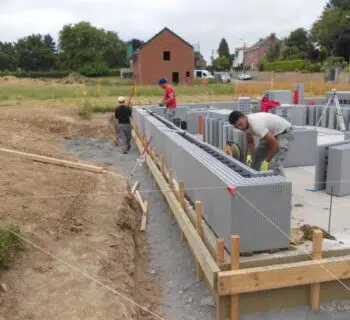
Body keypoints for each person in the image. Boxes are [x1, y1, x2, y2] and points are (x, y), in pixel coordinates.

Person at [228, 111, 294, 176]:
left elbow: (275, 145)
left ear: (244, 117)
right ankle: (255, 179)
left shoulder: (256, 125)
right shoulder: (245, 124)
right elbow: (250, 142)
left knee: (274, 163)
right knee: (256, 157)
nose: (240, 128)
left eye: (240, 124)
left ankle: (281, 185)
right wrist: (250, 155)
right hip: (271, 133)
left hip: (284, 132)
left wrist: (267, 161)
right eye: (237, 127)